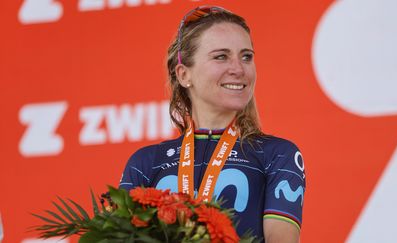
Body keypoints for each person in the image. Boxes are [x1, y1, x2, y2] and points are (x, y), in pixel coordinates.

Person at [119, 6, 306, 243]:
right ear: (184, 74)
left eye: (246, 56)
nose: (238, 69)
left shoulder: (277, 154)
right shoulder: (145, 162)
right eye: (221, 56)